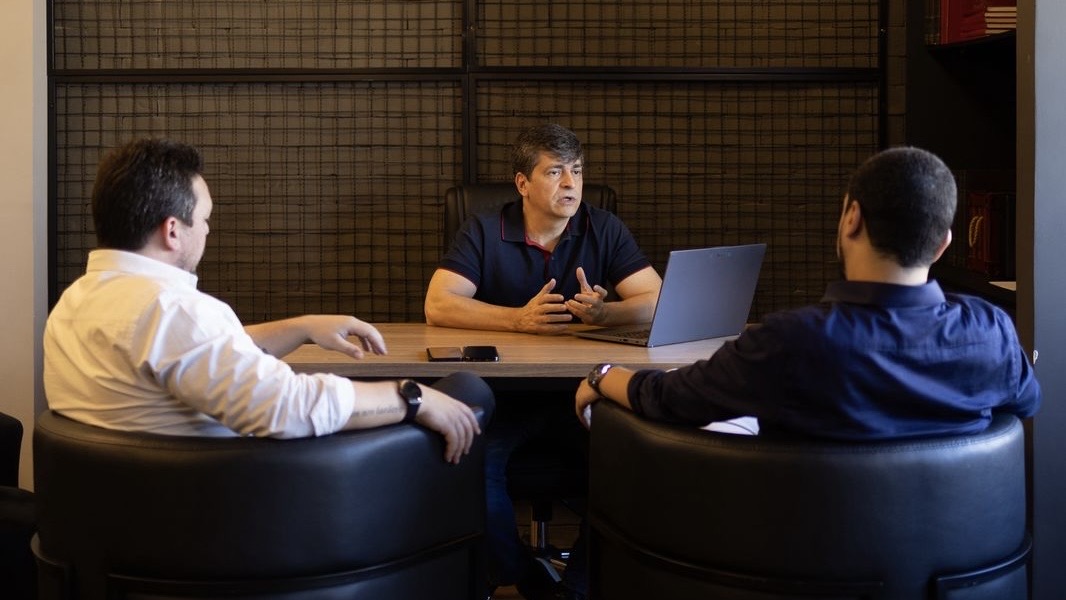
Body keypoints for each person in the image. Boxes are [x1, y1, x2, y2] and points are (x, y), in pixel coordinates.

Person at [43, 137, 491, 466]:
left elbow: (198, 354)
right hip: (246, 504)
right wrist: (410, 396)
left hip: (136, 513)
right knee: (466, 392)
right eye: (204, 218)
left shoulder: (77, 302)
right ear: (173, 230)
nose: (208, 231)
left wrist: (302, 327)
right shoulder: (173, 310)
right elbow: (290, 407)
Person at [575, 146, 1040, 443]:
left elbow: (667, 398)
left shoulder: (791, 341)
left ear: (851, 219)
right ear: (943, 244)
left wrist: (602, 374)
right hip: (958, 558)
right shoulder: (993, 332)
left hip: (806, 553)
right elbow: (1024, 404)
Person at [425, 124, 662, 600]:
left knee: (633, 462)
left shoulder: (603, 226)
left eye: (577, 171)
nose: (571, 184)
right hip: (505, 398)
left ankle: (575, 589)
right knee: (472, 467)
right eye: (555, 172)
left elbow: (656, 299)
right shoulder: (483, 229)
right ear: (523, 183)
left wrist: (606, 313)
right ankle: (521, 573)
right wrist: (517, 320)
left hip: (583, 396)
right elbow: (438, 303)